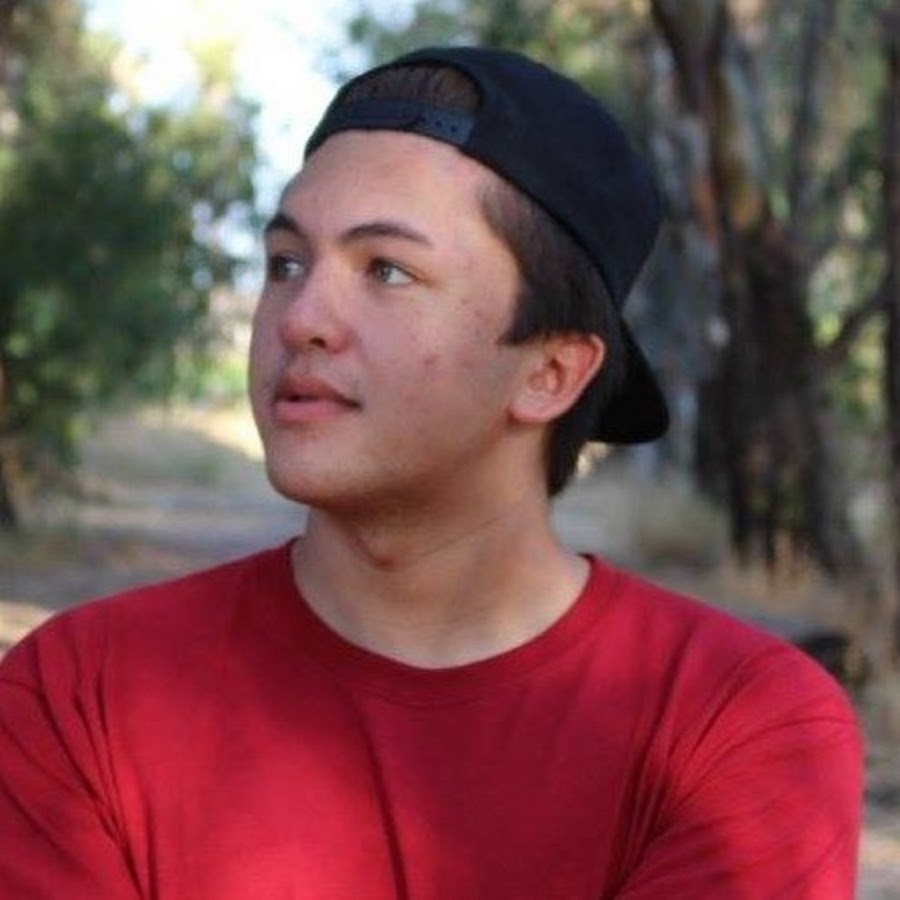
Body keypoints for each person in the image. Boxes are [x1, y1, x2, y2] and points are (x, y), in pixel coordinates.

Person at [0, 46, 861, 899]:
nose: (300, 318)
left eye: (387, 270)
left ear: (550, 373)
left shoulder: (740, 724)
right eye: (286, 263)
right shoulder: (79, 694)